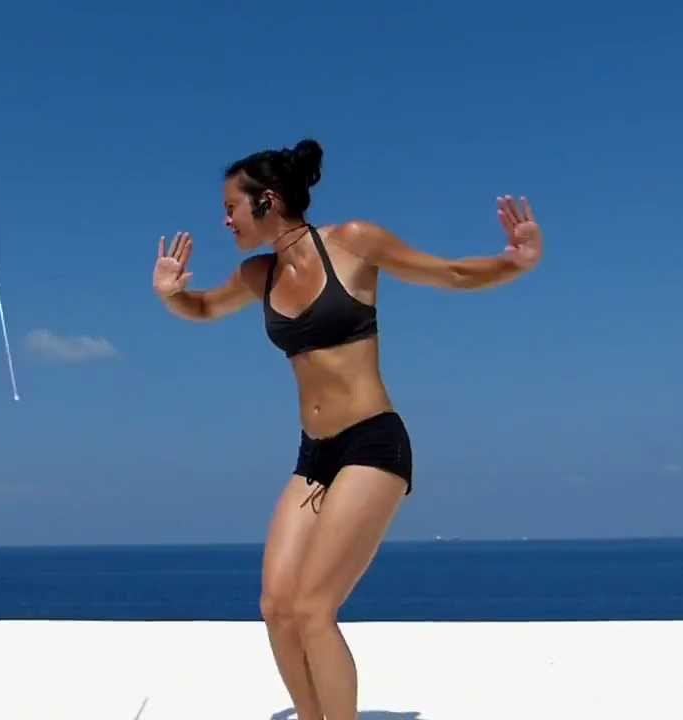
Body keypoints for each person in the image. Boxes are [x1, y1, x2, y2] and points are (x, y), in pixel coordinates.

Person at [151, 138, 543, 720]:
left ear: (267, 201)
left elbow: (452, 273)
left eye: (232, 207)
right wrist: (172, 295)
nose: (225, 220)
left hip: (372, 443)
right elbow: (204, 308)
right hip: (315, 456)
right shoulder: (257, 275)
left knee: (314, 609)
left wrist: (516, 261)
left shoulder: (353, 241)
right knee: (277, 608)